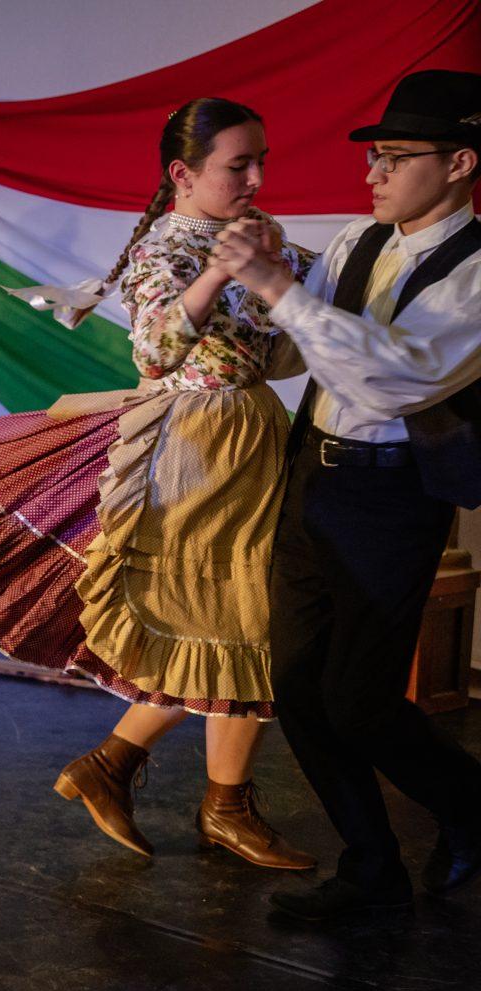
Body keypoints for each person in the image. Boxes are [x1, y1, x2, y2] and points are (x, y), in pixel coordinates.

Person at [0, 98, 318, 873]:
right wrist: (226, 271)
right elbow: (154, 350)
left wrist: (286, 282)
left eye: (261, 162)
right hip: (197, 453)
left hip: (251, 438)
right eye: (238, 165)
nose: (255, 178)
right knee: (237, 621)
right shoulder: (165, 253)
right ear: (183, 174)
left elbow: (277, 351)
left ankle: (130, 771)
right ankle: (209, 801)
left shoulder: (256, 235)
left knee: (236, 625)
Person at [212, 69, 481, 921]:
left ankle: (472, 808)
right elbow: (300, 353)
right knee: (295, 686)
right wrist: (234, 299)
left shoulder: (477, 272)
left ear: (461, 163)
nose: (374, 173)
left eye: (397, 157)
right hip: (312, 477)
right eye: (375, 156)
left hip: (391, 497)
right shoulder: (356, 241)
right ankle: (371, 867)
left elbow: (397, 380)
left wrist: (279, 290)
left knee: (359, 701)